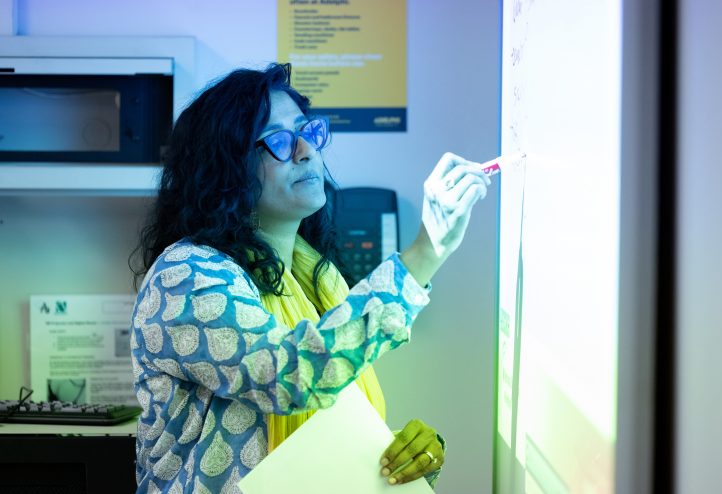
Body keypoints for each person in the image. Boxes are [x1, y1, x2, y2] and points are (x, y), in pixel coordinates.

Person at [129, 63, 489, 493]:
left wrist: (407, 456)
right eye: (278, 140)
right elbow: (291, 374)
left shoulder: (315, 279)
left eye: (307, 131)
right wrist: (424, 253)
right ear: (224, 167)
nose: (305, 150)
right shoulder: (185, 275)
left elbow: (322, 442)